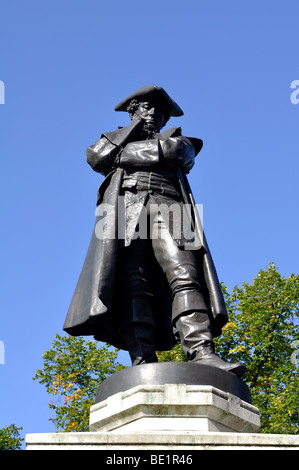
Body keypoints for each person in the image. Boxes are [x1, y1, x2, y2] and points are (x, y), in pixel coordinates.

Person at [63, 85, 245, 377]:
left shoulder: (178, 138)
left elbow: (177, 153)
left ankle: (201, 352)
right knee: (133, 283)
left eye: (159, 111)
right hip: (123, 210)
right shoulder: (112, 139)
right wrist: (130, 133)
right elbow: (98, 157)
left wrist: (124, 154)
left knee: (185, 274)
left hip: (171, 207)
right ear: (133, 111)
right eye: (147, 108)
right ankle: (142, 357)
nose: (154, 115)